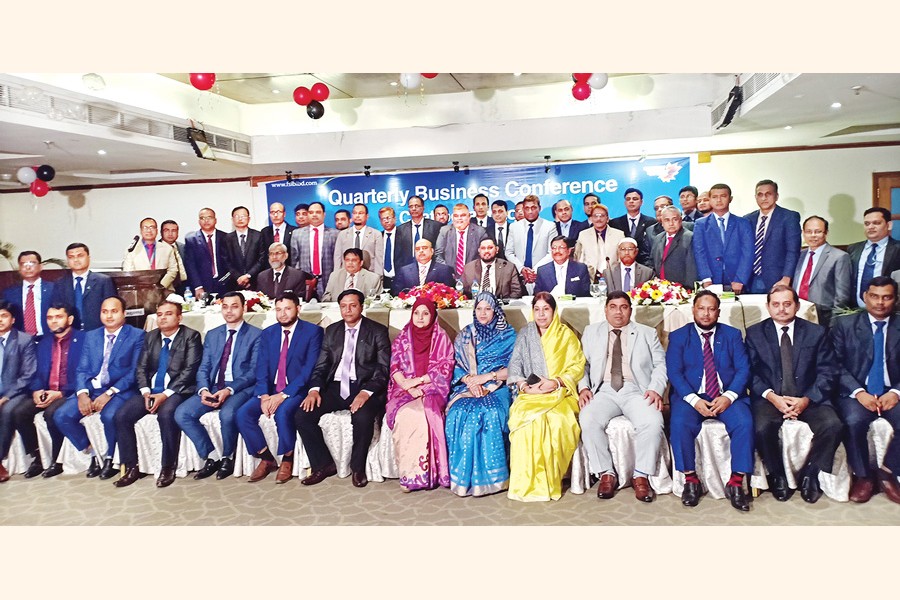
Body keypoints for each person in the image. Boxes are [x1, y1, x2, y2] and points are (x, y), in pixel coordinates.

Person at [745, 285, 843, 504]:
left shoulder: (816, 332)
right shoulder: (754, 333)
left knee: (833, 425)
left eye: (787, 304)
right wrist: (773, 397)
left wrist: (806, 399)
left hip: (809, 397)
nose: (781, 309)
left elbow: (828, 371)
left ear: (797, 306)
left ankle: (811, 474)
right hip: (771, 398)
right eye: (776, 304)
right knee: (761, 428)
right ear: (768, 307)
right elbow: (751, 373)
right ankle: (777, 474)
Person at [667, 290, 754, 511]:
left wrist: (729, 397)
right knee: (679, 423)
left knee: (744, 422)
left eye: (711, 309)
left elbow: (743, 369)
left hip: (726, 395)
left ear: (718, 312)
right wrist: (693, 400)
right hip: (692, 396)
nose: (706, 314)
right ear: (693, 310)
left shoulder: (732, 335)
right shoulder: (679, 336)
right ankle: (690, 479)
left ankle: (736, 482)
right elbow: (674, 373)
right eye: (701, 309)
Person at [578, 291, 667, 502]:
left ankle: (641, 475)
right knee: (588, 419)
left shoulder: (647, 333)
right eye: (613, 307)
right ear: (605, 310)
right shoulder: (591, 332)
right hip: (603, 389)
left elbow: (660, 364)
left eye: (623, 307)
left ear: (630, 310)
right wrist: (583, 388)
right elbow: (582, 365)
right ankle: (606, 473)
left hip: (636, 389)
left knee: (653, 421)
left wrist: (655, 389)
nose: (618, 312)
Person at [296, 290, 391, 488]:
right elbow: (321, 366)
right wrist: (314, 390)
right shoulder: (332, 331)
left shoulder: (377, 331)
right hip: (337, 386)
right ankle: (323, 464)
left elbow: (383, 369)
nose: (347, 310)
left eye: (353, 305)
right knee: (303, 415)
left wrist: (365, 393)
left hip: (365, 386)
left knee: (362, 417)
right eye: (343, 306)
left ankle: (358, 468)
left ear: (361, 307)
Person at [113, 300, 202, 488]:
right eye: (159, 314)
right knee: (122, 416)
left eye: (168, 314)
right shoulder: (150, 336)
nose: (163, 318)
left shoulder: (191, 336)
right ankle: (131, 467)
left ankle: (168, 467)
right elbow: (141, 368)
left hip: (177, 390)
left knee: (166, 414)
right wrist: (146, 392)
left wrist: (165, 395)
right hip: (151, 390)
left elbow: (189, 371)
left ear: (179, 317)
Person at [174, 292, 262, 481]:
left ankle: (227, 458)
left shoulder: (256, 335)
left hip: (240, 387)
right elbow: (204, 367)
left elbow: (253, 372)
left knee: (227, 414)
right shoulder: (213, 334)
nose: (229, 311)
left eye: (234, 306)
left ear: (244, 308)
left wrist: (229, 390)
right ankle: (211, 456)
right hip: (214, 386)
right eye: (225, 306)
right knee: (182, 413)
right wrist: (204, 389)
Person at [236, 292, 323, 484]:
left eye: (287, 309)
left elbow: (308, 370)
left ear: (298, 309)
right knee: (243, 414)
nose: (282, 314)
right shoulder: (268, 333)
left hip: (296, 388)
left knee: (282, 413)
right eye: (278, 309)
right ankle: (266, 458)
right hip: (270, 388)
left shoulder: (313, 332)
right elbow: (261, 367)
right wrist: (264, 395)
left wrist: (283, 395)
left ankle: (287, 458)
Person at [54, 296, 144, 480]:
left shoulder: (137, 335)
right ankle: (93, 452)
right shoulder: (92, 335)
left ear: (124, 314)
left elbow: (134, 372)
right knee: (62, 416)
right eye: (104, 312)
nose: (109, 316)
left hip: (119, 390)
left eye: (114, 311)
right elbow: (82, 369)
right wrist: (82, 394)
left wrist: (109, 393)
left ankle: (110, 458)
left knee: (109, 416)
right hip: (93, 388)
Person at [507, 292, 586, 501]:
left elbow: (577, 366)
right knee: (523, 419)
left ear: (554, 311)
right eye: (537, 309)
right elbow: (515, 364)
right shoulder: (525, 333)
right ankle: (525, 483)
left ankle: (549, 482)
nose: (541, 315)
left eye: (546, 309)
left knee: (556, 421)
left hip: (560, 393)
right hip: (531, 393)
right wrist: (524, 386)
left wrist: (556, 382)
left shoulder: (565, 334)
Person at [830, 277, 900, 504]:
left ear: (895, 299)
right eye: (874, 296)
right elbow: (834, 365)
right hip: (856, 390)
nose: (880, 302)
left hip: (892, 390)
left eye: (887, 297)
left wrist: (896, 393)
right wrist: (859, 392)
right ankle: (864, 477)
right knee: (853, 421)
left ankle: (888, 471)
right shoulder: (844, 325)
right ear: (864, 297)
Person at [445, 292, 516, 497]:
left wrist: (487, 378)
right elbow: (455, 364)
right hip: (467, 386)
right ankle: (462, 478)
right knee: (458, 412)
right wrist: (469, 380)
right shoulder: (466, 335)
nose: (483, 313)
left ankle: (493, 479)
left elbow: (515, 367)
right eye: (479, 309)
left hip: (499, 387)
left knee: (490, 413)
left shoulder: (508, 335)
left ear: (496, 311)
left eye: (488, 309)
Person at [386, 298, 454, 491]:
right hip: (403, 389)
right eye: (416, 313)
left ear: (433, 316)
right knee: (406, 415)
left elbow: (445, 368)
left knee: (423, 414)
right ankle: (409, 474)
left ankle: (426, 475)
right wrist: (407, 386)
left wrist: (417, 383)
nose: (420, 317)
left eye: (425, 313)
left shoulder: (441, 338)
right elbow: (394, 367)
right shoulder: (403, 338)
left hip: (432, 387)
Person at [29, 303, 85, 478]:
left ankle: (57, 460)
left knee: (50, 413)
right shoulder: (43, 343)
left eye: (58, 317)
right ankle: (37, 457)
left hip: (69, 392)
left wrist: (61, 393)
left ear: (70, 319)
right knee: (19, 412)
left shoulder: (83, 339)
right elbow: (36, 372)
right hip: (47, 391)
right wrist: (37, 390)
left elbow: (84, 373)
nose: (53, 321)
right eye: (50, 318)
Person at [0, 301, 38, 483]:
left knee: (7, 411)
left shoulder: (24, 340)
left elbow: (28, 375)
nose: (0, 320)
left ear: (13, 319)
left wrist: (6, 397)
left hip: (17, 392)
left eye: (4, 316)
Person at [692, 183, 753, 293]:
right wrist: (706, 278)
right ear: (710, 200)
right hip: (711, 279)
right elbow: (699, 252)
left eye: (723, 196)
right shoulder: (700, 224)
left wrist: (740, 279)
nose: (719, 200)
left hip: (737, 280)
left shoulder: (743, 223)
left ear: (730, 199)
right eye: (714, 197)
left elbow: (748, 252)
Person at [793, 215, 852, 328]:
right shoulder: (799, 255)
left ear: (826, 233)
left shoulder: (839, 257)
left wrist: (834, 323)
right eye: (809, 232)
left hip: (824, 317)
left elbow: (842, 296)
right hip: (797, 314)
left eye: (818, 231)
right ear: (803, 233)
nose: (813, 235)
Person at [744, 179, 802, 294]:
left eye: (768, 194)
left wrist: (786, 278)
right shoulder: (747, 219)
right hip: (750, 279)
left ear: (776, 196)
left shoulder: (789, 217)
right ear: (755, 197)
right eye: (760, 195)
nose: (764, 198)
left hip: (778, 279)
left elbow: (793, 251)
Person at [51, 243, 116, 331]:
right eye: (71, 257)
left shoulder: (103, 281)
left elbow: (112, 309)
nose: (76, 260)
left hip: (97, 331)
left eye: (80, 256)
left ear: (88, 258)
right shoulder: (60, 283)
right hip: (70, 333)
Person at [847, 207, 900, 307]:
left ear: (889, 225)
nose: (870, 227)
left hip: (888, 309)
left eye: (876, 223)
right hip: (855, 309)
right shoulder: (853, 249)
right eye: (867, 224)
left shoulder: (897, 249)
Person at [505, 195, 555, 293]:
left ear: (539, 208)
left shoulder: (549, 226)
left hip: (542, 276)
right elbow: (509, 252)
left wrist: (534, 271)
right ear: (523, 209)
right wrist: (522, 269)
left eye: (533, 208)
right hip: (519, 277)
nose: (530, 211)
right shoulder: (514, 227)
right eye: (527, 208)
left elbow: (551, 252)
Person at [290, 201, 339, 299]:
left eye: (318, 212)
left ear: (324, 214)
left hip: (329, 280)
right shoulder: (297, 234)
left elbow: (338, 259)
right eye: (311, 212)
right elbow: (294, 260)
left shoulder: (335, 234)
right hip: (305, 281)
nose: (314, 215)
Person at [2, 250, 54, 339]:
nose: (28, 267)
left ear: (40, 266)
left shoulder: (53, 288)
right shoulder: (9, 293)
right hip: (19, 340)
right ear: (19, 268)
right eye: (23, 264)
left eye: (32, 263)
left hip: (48, 339)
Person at [183, 208, 232, 298]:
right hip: (203, 286)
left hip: (225, 284)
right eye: (202, 218)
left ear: (215, 220)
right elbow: (190, 265)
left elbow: (231, 262)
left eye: (209, 217)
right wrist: (198, 286)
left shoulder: (226, 237)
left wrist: (227, 279)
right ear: (199, 221)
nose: (206, 220)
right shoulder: (191, 239)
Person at [122, 217, 179, 291]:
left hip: (164, 290)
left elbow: (173, 270)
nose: (149, 230)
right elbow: (129, 273)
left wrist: (160, 286)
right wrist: (143, 288)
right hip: (139, 291)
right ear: (141, 231)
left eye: (152, 227)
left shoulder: (167, 249)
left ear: (157, 231)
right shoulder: (131, 250)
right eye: (145, 227)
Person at [435, 203, 488, 279]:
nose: (459, 218)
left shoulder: (480, 232)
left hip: (474, 276)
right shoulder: (444, 231)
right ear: (452, 218)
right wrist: (447, 271)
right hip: (449, 276)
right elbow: (438, 255)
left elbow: (484, 255)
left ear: (469, 217)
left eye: (463, 215)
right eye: (456, 216)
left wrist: (474, 271)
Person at [574, 203, 624, 282]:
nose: (598, 219)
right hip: (590, 278)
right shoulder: (583, 235)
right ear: (591, 218)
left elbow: (621, 259)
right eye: (595, 216)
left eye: (602, 216)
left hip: (613, 278)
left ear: (607, 218)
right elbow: (578, 259)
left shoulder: (619, 234)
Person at [651, 206, 698, 289]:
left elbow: (691, 268)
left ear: (681, 220)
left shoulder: (689, 237)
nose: (671, 223)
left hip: (681, 289)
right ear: (662, 222)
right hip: (661, 288)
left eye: (675, 219)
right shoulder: (658, 238)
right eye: (667, 220)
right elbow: (653, 263)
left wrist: (688, 289)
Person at [333, 203, 384, 275]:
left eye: (360, 213)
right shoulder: (342, 234)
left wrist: (378, 277)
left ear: (367, 216)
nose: (357, 215)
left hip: (368, 275)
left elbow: (379, 259)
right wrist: (337, 275)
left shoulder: (376, 234)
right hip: (347, 275)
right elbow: (337, 258)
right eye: (355, 213)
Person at [224, 206, 267, 290]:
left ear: (249, 218)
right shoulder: (227, 238)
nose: (240, 219)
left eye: (243, 216)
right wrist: (238, 277)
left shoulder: (258, 235)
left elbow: (262, 259)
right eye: (237, 216)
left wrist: (248, 275)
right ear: (232, 219)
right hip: (235, 282)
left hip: (255, 280)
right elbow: (226, 261)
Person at [391, 239, 455, 295]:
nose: (421, 251)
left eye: (424, 248)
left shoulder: (444, 270)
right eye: (417, 249)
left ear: (432, 251)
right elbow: (397, 293)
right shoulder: (404, 271)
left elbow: (450, 293)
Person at [609, 187, 655, 266]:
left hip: (645, 266)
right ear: (625, 203)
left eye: (635, 199)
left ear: (641, 202)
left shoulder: (651, 222)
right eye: (628, 199)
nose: (631, 201)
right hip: (621, 266)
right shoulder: (614, 223)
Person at [394, 195, 442, 270]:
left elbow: (439, 251)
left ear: (423, 208)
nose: (414, 209)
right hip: (408, 270)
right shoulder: (400, 229)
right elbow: (398, 256)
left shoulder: (435, 226)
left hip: (432, 269)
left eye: (417, 206)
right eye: (411, 206)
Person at [160, 220, 188, 296]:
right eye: (166, 230)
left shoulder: (183, 247)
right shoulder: (157, 249)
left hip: (185, 287)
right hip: (166, 288)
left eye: (173, 231)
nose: (170, 234)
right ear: (161, 232)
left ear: (177, 233)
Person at [379, 206, 400, 293]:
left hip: (400, 278)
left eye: (388, 218)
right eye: (383, 219)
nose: (386, 221)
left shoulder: (404, 235)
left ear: (395, 219)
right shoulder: (378, 236)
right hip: (383, 280)